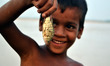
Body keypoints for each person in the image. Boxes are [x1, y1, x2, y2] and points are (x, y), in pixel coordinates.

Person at [0, 0, 87, 66]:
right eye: (53, 23)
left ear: (80, 31)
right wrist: (27, 1)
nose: (60, 33)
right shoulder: (30, 52)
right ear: (41, 24)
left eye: (69, 27)